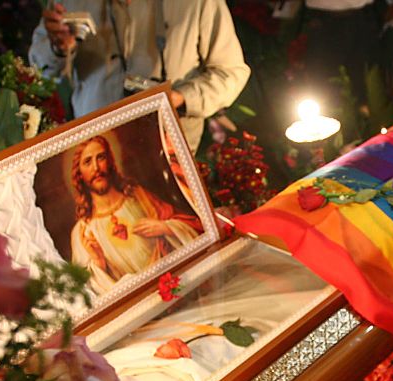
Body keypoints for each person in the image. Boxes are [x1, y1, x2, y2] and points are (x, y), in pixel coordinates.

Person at [30, 1, 250, 153]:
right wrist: (57, 47)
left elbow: (230, 73)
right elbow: (39, 72)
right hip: (94, 150)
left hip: (171, 154)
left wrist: (180, 99)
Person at [69, 135, 202, 294]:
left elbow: (195, 226)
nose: (96, 168)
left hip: (177, 284)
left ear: (110, 161)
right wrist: (98, 263)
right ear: (79, 173)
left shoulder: (138, 196)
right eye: (87, 162)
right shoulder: (82, 233)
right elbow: (85, 292)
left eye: (101, 158)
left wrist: (166, 227)